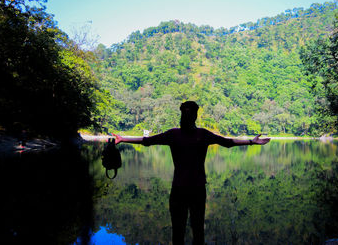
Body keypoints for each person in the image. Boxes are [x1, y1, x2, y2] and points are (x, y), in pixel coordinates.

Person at [112, 101, 270, 245]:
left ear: (186, 115)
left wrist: (123, 139)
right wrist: (251, 142)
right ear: (195, 116)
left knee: (179, 231)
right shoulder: (201, 134)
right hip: (196, 189)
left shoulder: (175, 134)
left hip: (181, 189)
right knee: (197, 229)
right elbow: (228, 143)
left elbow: (147, 141)